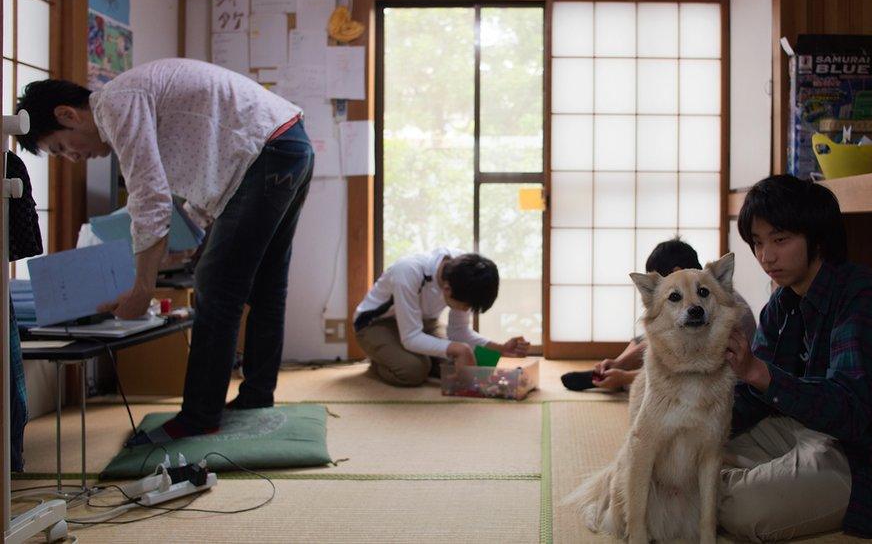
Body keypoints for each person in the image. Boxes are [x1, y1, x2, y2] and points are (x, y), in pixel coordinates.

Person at [16, 59, 314, 446]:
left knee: (216, 286)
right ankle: (257, 397)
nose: (72, 158)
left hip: (267, 152)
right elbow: (206, 185)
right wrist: (181, 245)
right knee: (266, 284)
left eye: (60, 147)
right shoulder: (130, 100)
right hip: (288, 144)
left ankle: (198, 418)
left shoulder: (116, 105)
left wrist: (143, 288)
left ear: (67, 114)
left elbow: (149, 197)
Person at [721, 174, 872, 540]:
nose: (766, 256)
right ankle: (711, 484)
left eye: (780, 240)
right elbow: (753, 397)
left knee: (743, 508)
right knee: (701, 445)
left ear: (818, 239)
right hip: (816, 431)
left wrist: (759, 373)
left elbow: (850, 413)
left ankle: (717, 491)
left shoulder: (866, 301)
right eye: (758, 242)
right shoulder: (784, 302)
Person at [560, 239, 756, 392]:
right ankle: (611, 370)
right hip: (683, 355)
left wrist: (625, 378)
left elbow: (691, 369)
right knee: (657, 330)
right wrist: (619, 362)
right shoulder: (705, 292)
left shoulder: (719, 306)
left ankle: (621, 378)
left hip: (713, 380)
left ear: (677, 273)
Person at [354, 248, 529, 386]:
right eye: (466, 306)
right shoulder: (408, 271)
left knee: (466, 365)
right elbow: (411, 337)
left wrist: (499, 348)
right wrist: (459, 349)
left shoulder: (465, 272)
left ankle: (416, 360)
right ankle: (380, 362)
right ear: (446, 289)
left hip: (423, 322)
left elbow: (459, 332)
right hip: (375, 325)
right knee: (413, 371)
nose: (466, 309)